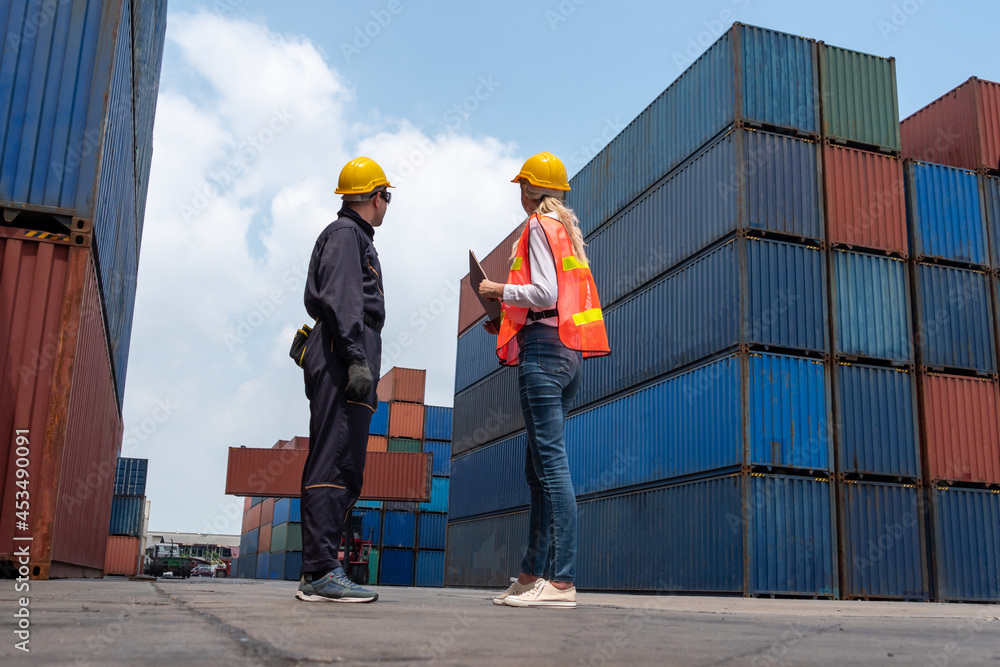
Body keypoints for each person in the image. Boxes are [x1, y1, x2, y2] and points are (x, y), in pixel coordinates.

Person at [478, 152, 610, 608]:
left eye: (521, 185)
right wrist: (503, 317)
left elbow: (544, 293)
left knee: (551, 470)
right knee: (537, 471)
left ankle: (562, 582)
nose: (519, 191)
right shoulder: (566, 233)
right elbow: (558, 300)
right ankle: (531, 574)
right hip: (570, 355)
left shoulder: (538, 226)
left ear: (530, 189)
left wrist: (497, 291)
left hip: (545, 355)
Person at [297, 157, 392, 603]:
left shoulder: (351, 237)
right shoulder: (346, 235)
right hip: (343, 351)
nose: (387, 203)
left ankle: (320, 569)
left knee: (346, 463)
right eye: (386, 196)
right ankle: (320, 572)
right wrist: (355, 359)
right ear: (376, 197)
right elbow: (341, 299)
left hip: (348, 350)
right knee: (334, 460)